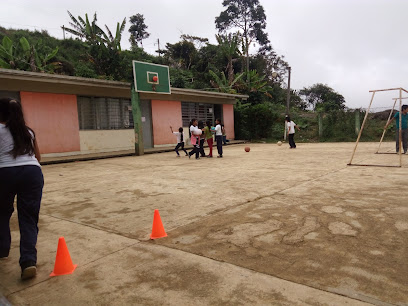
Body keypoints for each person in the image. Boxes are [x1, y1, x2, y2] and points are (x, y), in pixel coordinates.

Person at [0, 98, 44, 280]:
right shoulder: (28, 132)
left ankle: (2, 249)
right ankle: (28, 262)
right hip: (32, 173)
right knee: (28, 218)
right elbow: (38, 157)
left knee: (1, 213)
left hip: (5, 173)